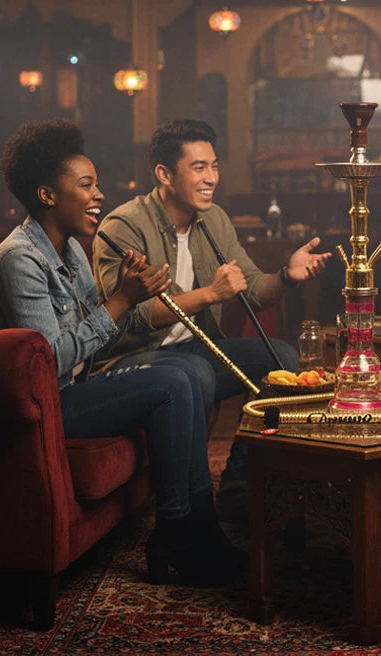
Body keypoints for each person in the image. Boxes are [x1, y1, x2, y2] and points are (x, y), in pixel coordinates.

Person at [0, 119, 245, 586]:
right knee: (168, 383)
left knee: (186, 367)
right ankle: (178, 530)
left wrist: (136, 293)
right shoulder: (19, 258)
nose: (99, 194)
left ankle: (199, 523)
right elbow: (49, 362)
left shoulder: (72, 250)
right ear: (47, 195)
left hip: (78, 388)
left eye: (97, 184)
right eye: (86, 185)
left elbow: (95, 335)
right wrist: (121, 299)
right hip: (43, 406)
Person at [93, 119, 331, 506]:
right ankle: (192, 503)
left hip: (196, 348)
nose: (212, 178)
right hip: (133, 357)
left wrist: (287, 275)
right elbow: (130, 317)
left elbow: (253, 290)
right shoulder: (124, 226)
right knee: (197, 371)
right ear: (165, 174)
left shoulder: (214, 219)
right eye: (199, 167)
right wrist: (210, 294)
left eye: (215, 166)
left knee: (282, 359)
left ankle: (239, 481)